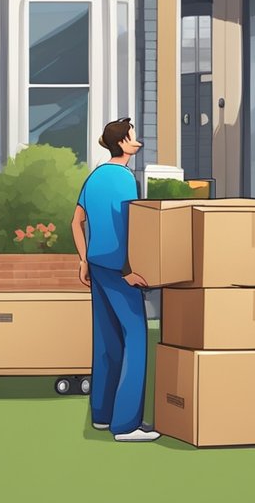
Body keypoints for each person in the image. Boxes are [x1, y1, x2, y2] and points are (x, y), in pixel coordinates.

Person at [70, 118, 159, 442]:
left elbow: (76, 222)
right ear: (122, 142)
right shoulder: (124, 179)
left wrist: (83, 259)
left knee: (107, 340)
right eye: (133, 136)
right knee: (136, 338)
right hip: (119, 269)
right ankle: (126, 425)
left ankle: (103, 416)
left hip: (97, 266)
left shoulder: (94, 177)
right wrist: (129, 271)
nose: (138, 140)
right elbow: (127, 228)